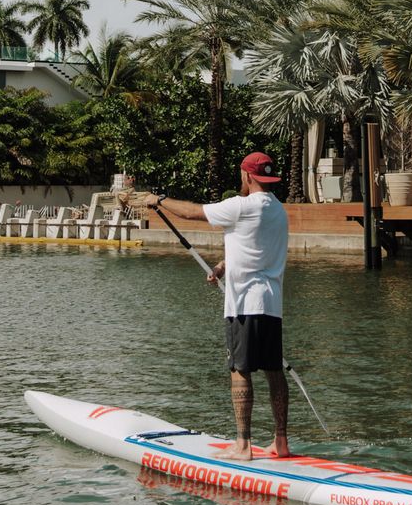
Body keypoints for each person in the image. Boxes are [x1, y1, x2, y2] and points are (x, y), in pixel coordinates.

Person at [124, 152, 290, 461]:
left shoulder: (240, 206)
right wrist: (224, 266)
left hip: (244, 304)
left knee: (240, 370)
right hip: (271, 303)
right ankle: (281, 441)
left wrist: (158, 200)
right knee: (273, 371)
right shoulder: (279, 211)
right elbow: (256, 248)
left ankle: (242, 446)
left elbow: (191, 212)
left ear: (248, 177)